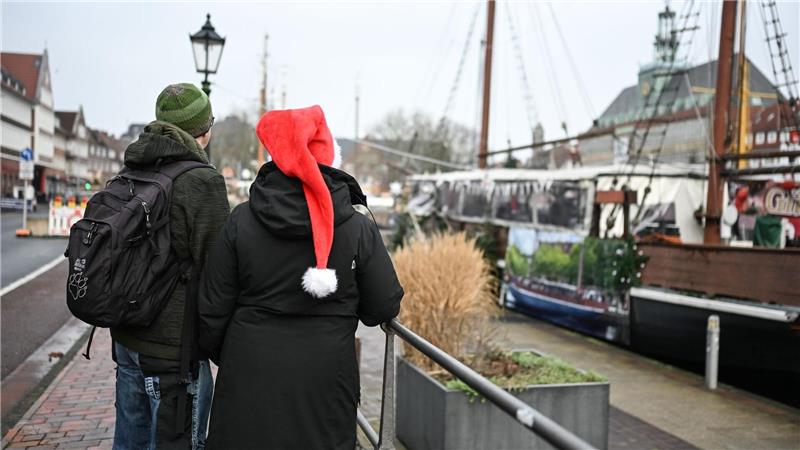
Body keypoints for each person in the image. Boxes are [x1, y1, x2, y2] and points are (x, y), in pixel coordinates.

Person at [199, 105, 403, 449]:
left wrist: (235, 356)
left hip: (249, 374)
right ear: (330, 159)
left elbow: (211, 310)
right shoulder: (357, 228)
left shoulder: (241, 220)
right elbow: (382, 306)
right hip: (326, 380)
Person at [110, 83, 229, 450]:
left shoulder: (132, 169)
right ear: (204, 131)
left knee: (128, 443)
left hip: (126, 338)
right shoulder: (203, 181)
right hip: (173, 353)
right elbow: (217, 271)